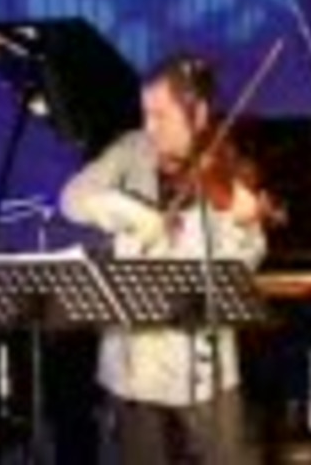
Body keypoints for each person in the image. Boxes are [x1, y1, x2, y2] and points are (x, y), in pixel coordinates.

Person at [59, 53, 276, 464]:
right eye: (146, 114)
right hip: (133, 368)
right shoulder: (131, 150)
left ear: (199, 114)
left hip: (204, 369)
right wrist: (130, 211)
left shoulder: (224, 167)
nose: (150, 127)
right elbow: (73, 198)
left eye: (160, 116)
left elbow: (245, 263)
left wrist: (244, 223)